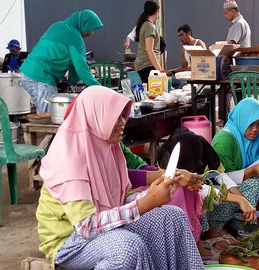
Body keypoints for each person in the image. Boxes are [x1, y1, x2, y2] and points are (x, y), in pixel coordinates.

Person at [36, 86, 204, 269]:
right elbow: (86, 226)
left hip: (101, 229)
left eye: (123, 116)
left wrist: (160, 190)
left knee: (171, 216)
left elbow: (122, 192)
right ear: (95, 117)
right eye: (115, 117)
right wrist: (147, 201)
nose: (122, 122)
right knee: (127, 247)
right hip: (70, 241)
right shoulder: (68, 158)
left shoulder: (108, 148)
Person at [157, 127, 258, 261]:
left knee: (254, 184)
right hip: (183, 213)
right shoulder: (166, 174)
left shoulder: (204, 151)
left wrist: (241, 199)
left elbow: (218, 179)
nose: (191, 171)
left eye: (193, 167)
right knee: (190, 191)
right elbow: (204, 190)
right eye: (187, 168)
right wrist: (239, 200)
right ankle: (203, 239)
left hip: (210, 197)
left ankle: (222, 230)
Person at [20, 9, 102, 113]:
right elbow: (82, 69)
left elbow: (72, 62)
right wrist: (100, 89)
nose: (91, 33)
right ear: (84, 24)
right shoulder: (75, 37)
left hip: (28, 73)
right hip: (41, 76)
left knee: (43, 112)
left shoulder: (58, 26)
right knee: (50, 115)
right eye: (90, 29)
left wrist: (73, 82)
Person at [134, 1, 164, 83]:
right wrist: (159, 69)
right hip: (148, 65)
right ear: (156, 11)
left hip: (146, 65)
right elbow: (149, 49)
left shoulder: (144, 24)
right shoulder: (149, 26)